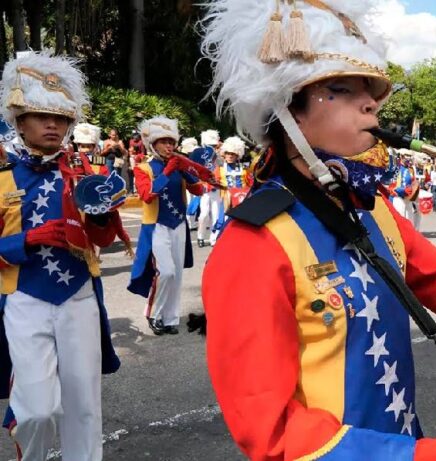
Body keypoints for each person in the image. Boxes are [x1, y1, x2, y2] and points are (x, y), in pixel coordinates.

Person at [198, 1, 436, 459]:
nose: (372, 102)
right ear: (287, 106)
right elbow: (267, 430)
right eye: (342, 88)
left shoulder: (374, 211)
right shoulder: (253, 244)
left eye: (370, 89)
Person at [0, 50, 121, 460]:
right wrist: (28, 240)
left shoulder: (84, 175)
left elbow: (103, 242)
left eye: (62, 118)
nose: (53, 124)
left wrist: (104, 215)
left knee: (85, 407)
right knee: (36, 411)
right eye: (40, 115)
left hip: (79, 297)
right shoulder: (2, 178)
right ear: (19, 121)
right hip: (25, 298)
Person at [128, 117, 205, 335]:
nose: (169, 146)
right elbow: (146, 195)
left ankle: (170, 318)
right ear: (153, 144)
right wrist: (169, 171)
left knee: (177, 274)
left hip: (179, 223)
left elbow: (199, 191)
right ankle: (154, 313)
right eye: (163, 141)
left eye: (171, 141)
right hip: (157, 225)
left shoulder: (178, 165)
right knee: (166, 272)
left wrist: (187, 171)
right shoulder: (143, 168)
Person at [213, 135, 252, 231]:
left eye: (233, 154)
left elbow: (251, 184)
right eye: (228, 153)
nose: (230, 156)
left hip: (241, 200)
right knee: (225, 224)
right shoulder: (219, 169)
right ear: (224, 154)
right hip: (226, 201)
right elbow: (212, 182)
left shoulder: (244, 170)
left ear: (237, 155)